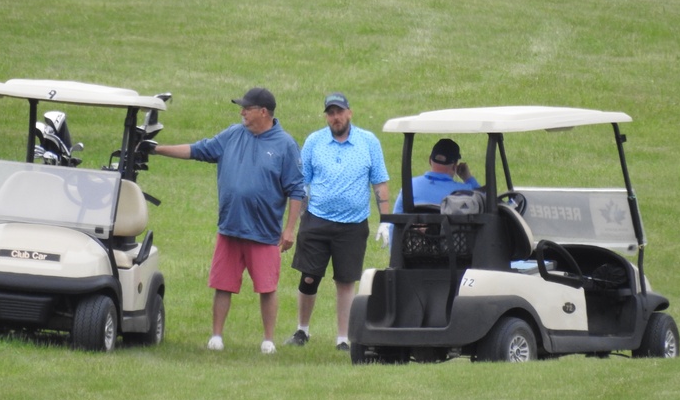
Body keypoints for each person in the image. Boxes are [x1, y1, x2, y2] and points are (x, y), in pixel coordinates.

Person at [142, 87, 305, 354]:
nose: (242, 112)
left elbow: (296, 189)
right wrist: (157, 150)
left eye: (247, 109)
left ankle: (268, 341)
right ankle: (216, 336)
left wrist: (289, 230)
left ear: (263, 112)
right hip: (230, 227)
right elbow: (198, 149)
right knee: (222, 285)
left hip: (264, 232)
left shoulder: (285, 144)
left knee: (267, 288)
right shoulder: (233, 134)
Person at [286, 92, 391, 351]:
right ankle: (302, 330)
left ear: (349, 113)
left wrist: (385, 220)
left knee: (346, 281)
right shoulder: (315, 141)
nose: (336, 117)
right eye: (331, 113)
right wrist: (301, 216)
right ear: (326, 116)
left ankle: (343, 338)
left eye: (340, 112)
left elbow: (379, 181)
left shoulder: (368, 142)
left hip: (353, 225)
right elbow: (302, 182)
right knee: (309, 277)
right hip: (316, 220)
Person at [391, 138, 480, 214]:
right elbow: (485, 202)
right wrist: (468, 178)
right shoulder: (465, 191)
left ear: (430, 160)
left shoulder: (410, 186)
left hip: (414, 229)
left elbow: (395, 221)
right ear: (454, 166)